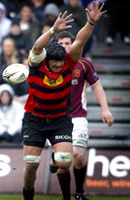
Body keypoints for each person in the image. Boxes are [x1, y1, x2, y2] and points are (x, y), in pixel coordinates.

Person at [21, 2, 106, 200]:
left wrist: (91, 24)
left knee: (64, 159)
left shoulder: (69, 64)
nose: (59, 67)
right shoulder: (36, 66)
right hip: (34, 120)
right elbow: (36, 46)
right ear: (47, 62)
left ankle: (69, 196)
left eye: (61, 64)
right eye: (55, 65)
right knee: (32, 163)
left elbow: (79, 42)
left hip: (60, 120)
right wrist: (52, 30)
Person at [53, 31, 114, 200]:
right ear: (55, 45)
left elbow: (97, 86)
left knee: (78, 156)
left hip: (78, 117)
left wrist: (105, 109)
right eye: (61, 43)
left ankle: (79, 193)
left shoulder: (84, 64)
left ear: (74, 44)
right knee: (64, 159)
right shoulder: (50, 64)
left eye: (67, 43)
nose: (64, 47)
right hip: (56, 119)